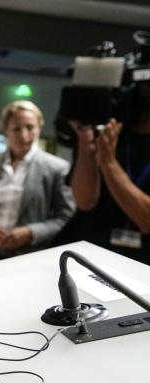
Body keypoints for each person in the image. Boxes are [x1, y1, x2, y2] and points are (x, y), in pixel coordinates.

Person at [0, 100, 74, 265]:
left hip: (29, 256)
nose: (24, 135)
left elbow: (65, 217)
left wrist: (31, 232)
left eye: (30, 127)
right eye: (16, 128)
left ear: (39, 127)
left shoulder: (56, 168)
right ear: (5, 129)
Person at [59, 84, 150, 263]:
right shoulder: (111, 125)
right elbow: (85, 202)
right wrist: (85, 142)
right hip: (93, 250)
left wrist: (109, 164)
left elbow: (147, 221)